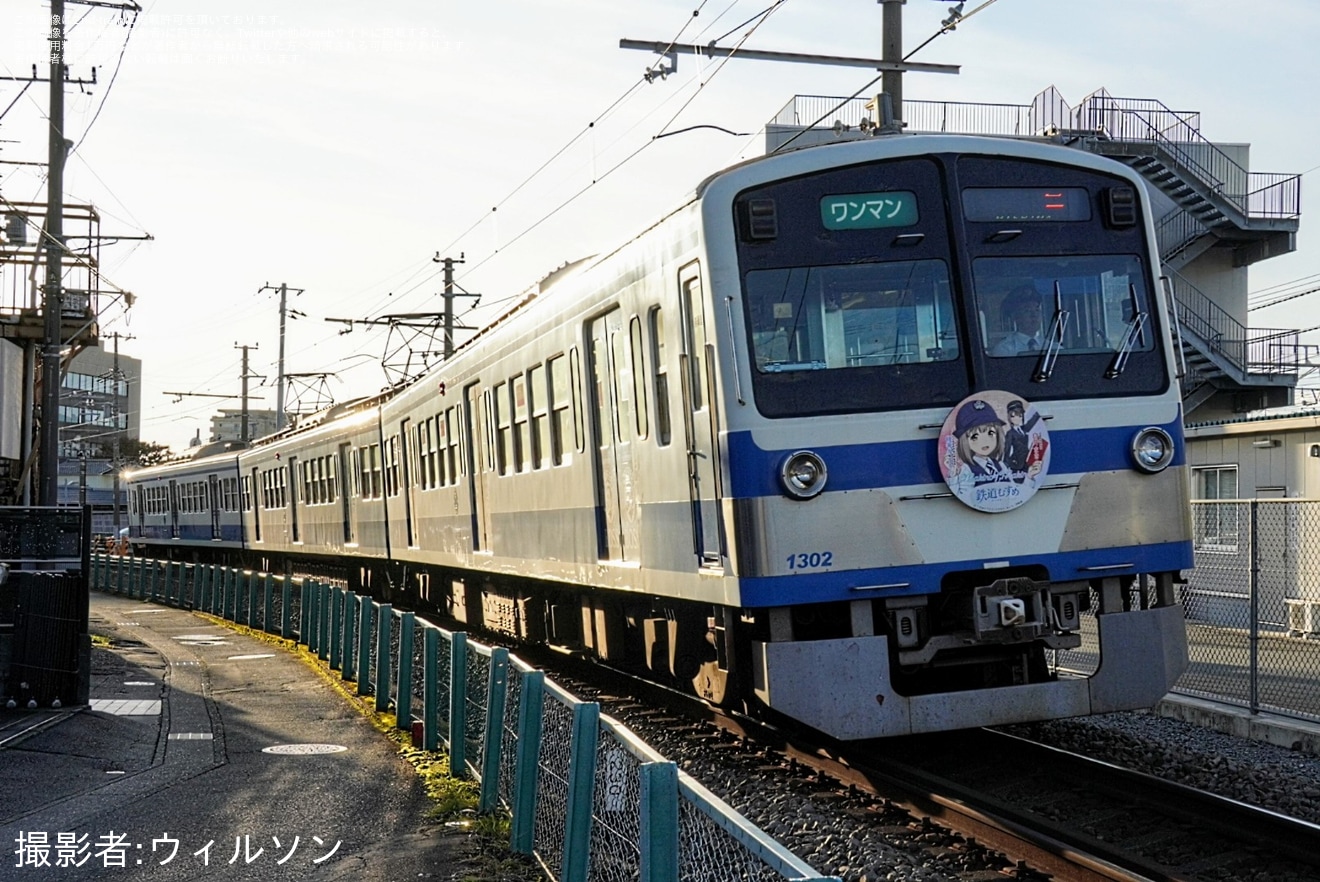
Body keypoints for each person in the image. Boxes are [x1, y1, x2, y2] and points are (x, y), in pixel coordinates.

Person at [991, 285, 1046, 356]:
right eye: (1027, 310)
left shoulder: (1052, 348)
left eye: (1037, 310)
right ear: (1015, 317)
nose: (1034, 315)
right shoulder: (1005, 350)